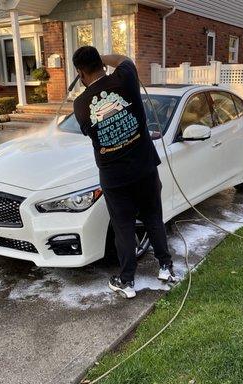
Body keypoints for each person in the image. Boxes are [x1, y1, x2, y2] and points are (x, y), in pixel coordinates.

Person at [72, 46, 175, 299]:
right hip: (144, 167)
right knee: (153, 217)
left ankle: (127, 281)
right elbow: (124, 59)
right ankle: (165, 267)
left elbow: (93, 131)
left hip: (114, 177)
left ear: (79, 73)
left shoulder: (81, 104)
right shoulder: (125, 77)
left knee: (124, 228)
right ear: (101, 64)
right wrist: (103, 60)